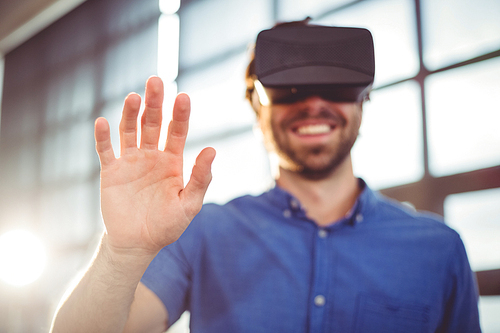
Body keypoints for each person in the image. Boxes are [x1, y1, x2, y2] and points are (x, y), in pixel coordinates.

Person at [51, 20, 481, 333]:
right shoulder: (201, 233)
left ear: (364, 99)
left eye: (335, 86)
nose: (313, 103)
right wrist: (123, 255)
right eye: (288, 88)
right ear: (257, 107)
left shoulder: (440, 251)